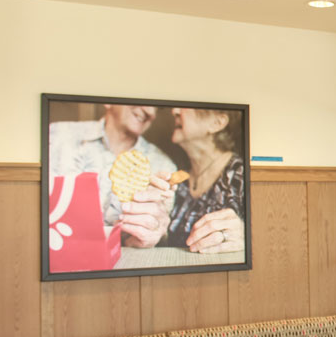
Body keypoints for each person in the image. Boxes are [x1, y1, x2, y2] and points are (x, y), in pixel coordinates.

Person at [48, 104, 177, 248]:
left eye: (157, 108)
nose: (150, 111)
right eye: (141, 98)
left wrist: (151, 233)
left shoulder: (163, 166)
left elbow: (159, 230)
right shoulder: (55, 136)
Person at [165, 108, 245, 253]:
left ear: (217, 123)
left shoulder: (242, 175)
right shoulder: (177, 179)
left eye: (185, 105)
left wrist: (245, 238)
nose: (174, 111)